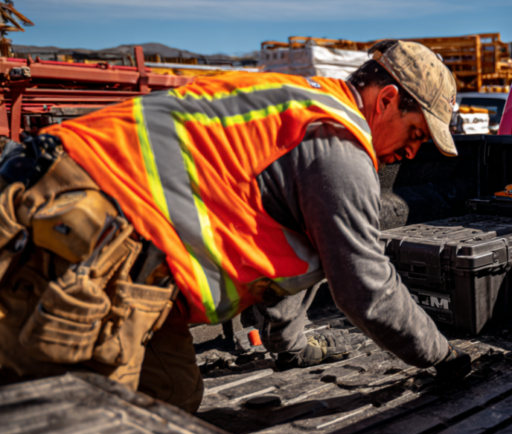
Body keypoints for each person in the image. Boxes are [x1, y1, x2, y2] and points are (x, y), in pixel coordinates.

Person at [0, 40, 473, 413]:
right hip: (70, 239)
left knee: (173, 394)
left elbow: (286, 249)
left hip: (110, 238)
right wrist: (442, 356)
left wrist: (293, 346)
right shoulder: (338, 146)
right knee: (87, 422)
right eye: (416, 134)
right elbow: (366, 287)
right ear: (387, 99)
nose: (412, 154)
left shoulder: (305, 108)